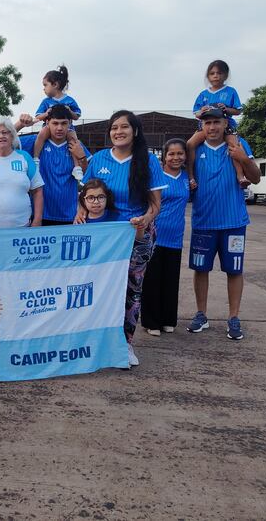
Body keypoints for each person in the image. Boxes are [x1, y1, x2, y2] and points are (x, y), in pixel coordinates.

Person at [80, 110, 167, 367]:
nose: (118, 132)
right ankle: (96, 339)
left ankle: (125, 343)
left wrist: (144, 221)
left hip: (135, 235)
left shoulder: (148, 161)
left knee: (130, 290)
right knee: (99, 287)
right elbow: (85, 197)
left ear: (135, 131)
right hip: (104, 236)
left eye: (124, 127)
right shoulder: (99, 159)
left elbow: (156, 206)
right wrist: (80, 214)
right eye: (114, 127)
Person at [187, 108, 261, 340]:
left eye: (216, 122)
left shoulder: (238, 145)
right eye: (207, 123)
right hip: (203, 222)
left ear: (225, 122)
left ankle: (234, 317)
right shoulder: (195, 149)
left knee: (234, 270)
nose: (212, 127)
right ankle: (201, 314)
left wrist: (242, 159)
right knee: (201, 269)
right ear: (202, 126)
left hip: (233, 222)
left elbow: (256, 177)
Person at [141, 138, 190, 337]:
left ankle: (168, 319)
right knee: (152, 281)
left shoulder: (188, 178)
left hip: (176, 237)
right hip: (155, 236)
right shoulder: (156, 177)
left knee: (171, 281)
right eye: (171, 154)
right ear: (164, 156)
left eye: (180, 153)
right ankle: (151, 321)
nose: (176, 157)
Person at [20, 104, 91, 226]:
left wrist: (82, 157)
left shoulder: (76, 145)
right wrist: (20, 124)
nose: (59, 128)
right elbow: (6, 140)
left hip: (69, 214)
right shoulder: (35, 141)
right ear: (47, 123)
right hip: (39, 214)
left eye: (64, 123)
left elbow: (87, 175)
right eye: (55, 123)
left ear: (69, 124)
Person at [187, 60, 247, 188]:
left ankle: (240, 176)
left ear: (225, 75)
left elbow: (237, 110)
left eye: (219, 73)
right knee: (190, 144)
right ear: (208, 76)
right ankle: (191, 177)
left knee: (234, 145)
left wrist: (226, 109)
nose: (215, 76)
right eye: (212, 73)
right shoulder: (203, 94)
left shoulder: (230, 91)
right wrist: (201, 111)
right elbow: (196, 113)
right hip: (206, 128)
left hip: (227, 126)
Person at [31, 65, 84, 181]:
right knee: (41, 134)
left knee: (74, 140)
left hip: (67, 131)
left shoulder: (70, 100)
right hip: (48, 129)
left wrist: (70, 112)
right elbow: (38, 117)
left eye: (45, 85)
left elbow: (76, 117)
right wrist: (46, 114)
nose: (43, 88)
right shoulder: (46, 102)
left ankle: (76, 167)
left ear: (55, 85)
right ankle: (36, 159)